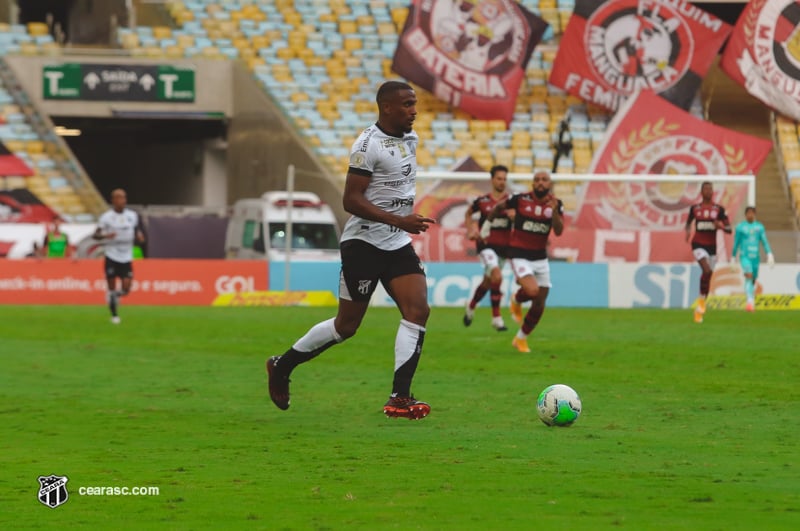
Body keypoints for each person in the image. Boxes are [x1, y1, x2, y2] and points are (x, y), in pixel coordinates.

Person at [266, 81, 436, 420]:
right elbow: (351, 200)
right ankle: (282, 366)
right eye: (406, 104)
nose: (413, 110)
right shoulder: (366, 145)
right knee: (347, 326)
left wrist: (398, 225)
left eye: (414, 104)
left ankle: (399, 398)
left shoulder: (411, 138)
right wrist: (399, 220)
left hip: (396, 242)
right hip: (363, 244)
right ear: (386, 107)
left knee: (418, 310)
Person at [489, 170, 564, 353]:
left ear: (549, 184)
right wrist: (487, 224)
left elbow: (559, 231)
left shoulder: (556, 204)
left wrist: (554, 212)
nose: (540, 183)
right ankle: (516, 298)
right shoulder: (520, 199)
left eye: (544, 180)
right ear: (532, 184)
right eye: (537, 180)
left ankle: (520, 339)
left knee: (539, 303)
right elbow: (499, 207)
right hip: (519, 254)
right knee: (532, 290)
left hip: (540, 257)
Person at [462, 164, 512, 331]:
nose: (502, 182)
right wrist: (471, 229)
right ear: (492, 180)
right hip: (485, 245)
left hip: (503, 249)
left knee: (488, 281)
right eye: (499, 178)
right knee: (497, 277)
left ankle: (471, 306)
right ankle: (496, 318)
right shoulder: (482, 201)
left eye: (504, 179)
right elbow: (468, 213)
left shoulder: (511, 202)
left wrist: (515, 217)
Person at [93, 188, 145, 324]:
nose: (123, 201)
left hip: (126, 256)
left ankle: (117, 295)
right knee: (111, 286)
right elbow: (95, 235)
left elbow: (136, 229)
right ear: (113, 200)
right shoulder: (106, 217)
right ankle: (114, 315)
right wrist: (105, 235)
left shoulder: (132, 215)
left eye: (124, 198)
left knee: (126, 287)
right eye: (119, 198)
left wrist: (139, 235)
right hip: (111, 255)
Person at [685, 181, 731, 323]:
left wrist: (721, 227)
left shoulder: (719, 209)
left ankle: (701, 304)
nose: (708, 191)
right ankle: (701, 304)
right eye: (705, 189)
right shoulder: (695, 209)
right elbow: (688, 223)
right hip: (698, 244)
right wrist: (687, 233)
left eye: (710, 189)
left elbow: (730, 230)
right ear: (701, 192)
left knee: (708, 275)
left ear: (713, 192)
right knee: (706, 270)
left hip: (712, 247)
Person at [732, 206, 774, 312]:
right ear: (745, 214)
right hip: (744, 256)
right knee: (749, 275)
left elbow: (764, 241)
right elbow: (736, 243)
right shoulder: (740, 227)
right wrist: (733, 257)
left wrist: (769, 253)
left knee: (753, 279)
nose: (750, 215)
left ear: (754, 214)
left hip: (755, 257)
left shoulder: (759, 227)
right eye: (748, 213)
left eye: (752, 213)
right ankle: (750, 302)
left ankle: (750, 297)